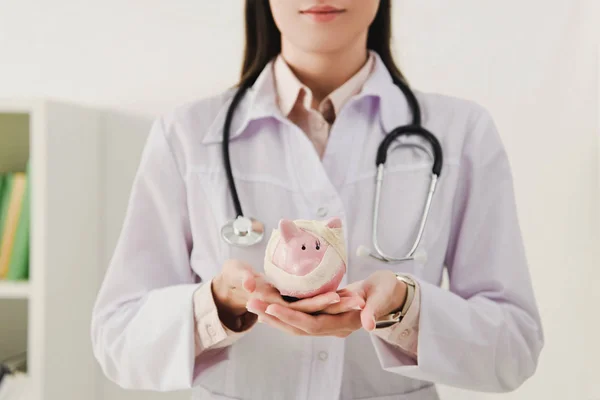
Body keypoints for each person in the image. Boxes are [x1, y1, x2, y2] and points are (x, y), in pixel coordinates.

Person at [90, 1, 544, 399]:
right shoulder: (186, 136)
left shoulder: (461, 133)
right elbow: (119, 338)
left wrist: (405, 309)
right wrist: (219, 305)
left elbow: (514, 347)